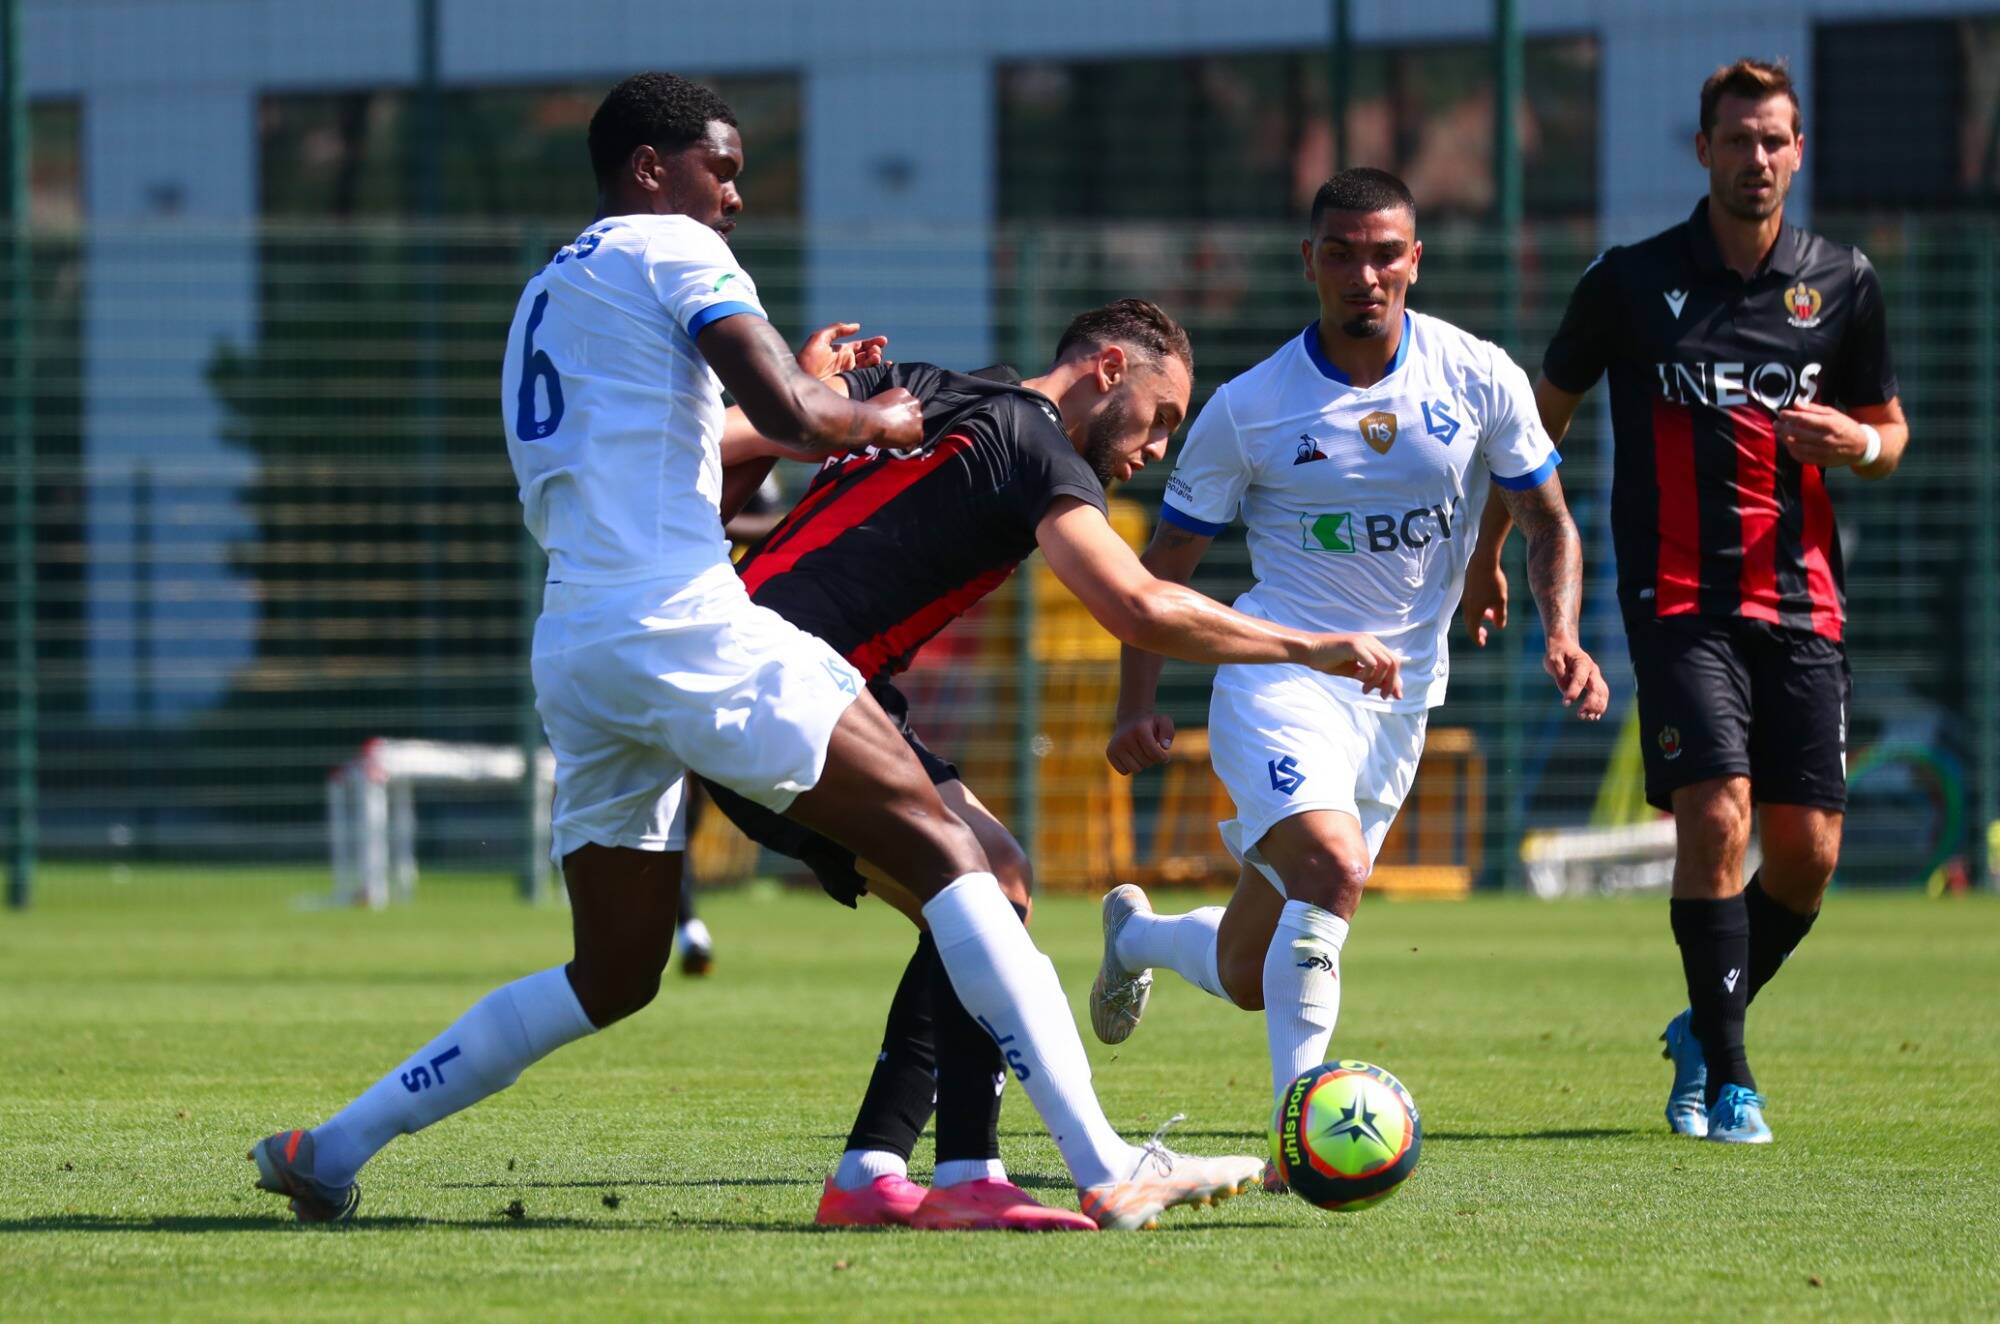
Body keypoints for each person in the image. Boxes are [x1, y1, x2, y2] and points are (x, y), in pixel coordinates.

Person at [246, 71, 1264, 1230]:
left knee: (612, 974)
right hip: (687, 627)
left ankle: (333, 1146)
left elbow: (700, 455)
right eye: (719, 169)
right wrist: (866, 415)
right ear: (649, 169)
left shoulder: (548, 288)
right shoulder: (675, 253)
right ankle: (1098, 1164)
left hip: (579, 643)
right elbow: (792, 411)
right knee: (961, 861)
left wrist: (816, 408)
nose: (732, 196)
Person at [706, 298, 1402, 1230]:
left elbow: (723, 439)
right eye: (1161, 417)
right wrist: (1307, 646)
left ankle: (904, 1170)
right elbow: (1142, 607)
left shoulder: (930, 386)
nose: (1156, 448)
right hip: (786, 693)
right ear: (1110, 369)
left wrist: (799, 388)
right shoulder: (1042, 453)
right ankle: (984, 1173)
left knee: (995, 879)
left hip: (766, 675)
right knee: (982, 885)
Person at [1090, 170, 1609, 1174]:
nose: (1362, 274)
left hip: (1398, 703)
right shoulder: (1250, 409)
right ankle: (1300, 1134)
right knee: (1334, 868)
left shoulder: (1477, 376)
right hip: (1280, 679)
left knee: (1251, 971)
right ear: (1309, 263)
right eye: (1340, 253)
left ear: (1415, 259)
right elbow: (1163, 573)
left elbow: (1545, 514)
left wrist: (1563, 633)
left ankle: (1138, 939)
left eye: (1383, 253)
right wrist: (1136, 705)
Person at [1461, 59, 1907, 1144]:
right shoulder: (1627, 282)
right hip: (1676, 601)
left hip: (1802, 606)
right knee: (1715, 816)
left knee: (1806, 854)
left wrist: (1854, 442)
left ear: (1795, 152)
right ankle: (1728, 1075)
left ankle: (1704, 1018)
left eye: (1773, 141)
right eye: (1736, 140)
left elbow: (1886, 434)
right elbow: (1533, 433)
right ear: (1701, 151)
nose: (1755, 159)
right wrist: (1485, 557)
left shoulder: (1839, 282)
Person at [674, 468, 793, 977]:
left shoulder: (759, 454)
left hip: (741, 638)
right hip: (679, 632)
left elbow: (783, 526)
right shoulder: (687, 445)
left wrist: (712, 524)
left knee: (698, 802)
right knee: (676, 798)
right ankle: (686, 923)